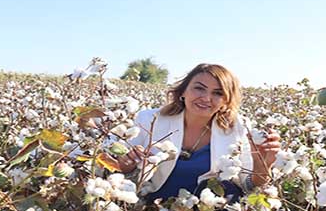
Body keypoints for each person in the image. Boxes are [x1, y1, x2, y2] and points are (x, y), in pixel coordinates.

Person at [117, 63, 281, 201]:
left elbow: (248, 187)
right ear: (183, 91)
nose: (206, 98)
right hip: (152, 209)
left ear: (226, 101)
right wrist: (125, 165)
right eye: (199, 89)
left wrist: (262, 166)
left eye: (218, 93)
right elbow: (119, 172)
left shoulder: (238, 127)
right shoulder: (149, 120)